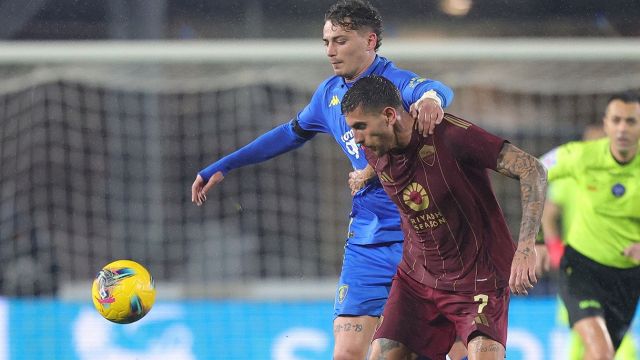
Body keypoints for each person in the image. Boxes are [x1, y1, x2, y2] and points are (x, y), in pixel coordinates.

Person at [191, 1, 455, 359]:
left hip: (422, 236)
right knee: (347, 352)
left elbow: (433, 89)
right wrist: (225, 165)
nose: (331, 51)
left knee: (434, 350)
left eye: (341, 41)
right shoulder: (328, 95)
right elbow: (289, 133)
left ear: (371, 41)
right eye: (326, 42)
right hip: (368, 240)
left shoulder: (395, 84)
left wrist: (430, 100)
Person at [341, 75, 547, 359]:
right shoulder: (374, 147)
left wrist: (526, 247)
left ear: (389, 115)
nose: (357, 138)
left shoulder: (451, 136)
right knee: (382, 355)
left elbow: (532, 169)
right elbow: (390, 163)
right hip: (418, 279)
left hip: (479, 278)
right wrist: (365, 174)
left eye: (360, 127)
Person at [540, 92, 640, 360]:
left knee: (602, 353)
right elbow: (532, 171)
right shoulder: (581, 157)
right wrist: (537, 241)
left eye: (630, 121)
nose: (622, 128)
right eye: (616, 120)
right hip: (581, 267)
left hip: (627, 278)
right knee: (600, 350)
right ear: (606, 124)